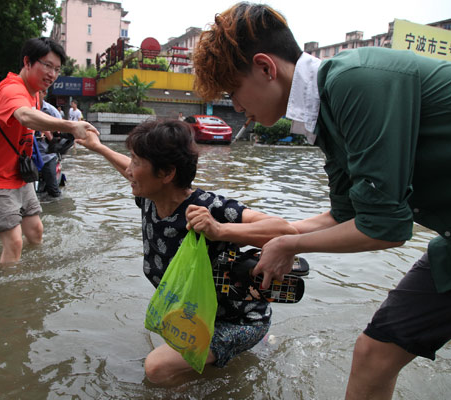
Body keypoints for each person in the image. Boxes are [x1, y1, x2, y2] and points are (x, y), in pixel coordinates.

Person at [192, 3, 451, 399]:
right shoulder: (323, 117)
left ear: (265, 68)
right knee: (375, 352)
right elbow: (347, 216)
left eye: (233, 91)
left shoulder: (356, 81)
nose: (236, 107)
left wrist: (291, 243)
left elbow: (385, 228)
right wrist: (267, 236)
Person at [75, 119, 298, 384]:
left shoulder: (208, 209)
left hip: (239, 321)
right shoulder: (150, 195)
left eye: (137, 162)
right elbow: (128, 169)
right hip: (194, 315)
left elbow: (286, 231)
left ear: (167, 174)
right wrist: (98, 147)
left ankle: (252, 342)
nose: (130, 171)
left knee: (157, 368)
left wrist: (219, 230)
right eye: (132, 160)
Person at [0, 37, 99, 265]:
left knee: (36, 231)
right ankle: (13, 293)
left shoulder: (35, 95)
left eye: (57, 69)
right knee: (14, 242)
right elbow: (24, 116)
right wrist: (70, 126)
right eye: (47, 65)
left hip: (20, 175)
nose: (52, 74)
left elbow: (33, 125)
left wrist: (57, 138)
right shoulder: (11, 89)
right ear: (27, 62)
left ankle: (31, 272)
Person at [35, 90, 63, 198]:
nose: (35, 96)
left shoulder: (52, 112)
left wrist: (48, 133)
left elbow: (60, 136)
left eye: (38, 93)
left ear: (44, 93)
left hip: (47, 155)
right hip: (29, 155)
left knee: (53, 190)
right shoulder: (25, 110)